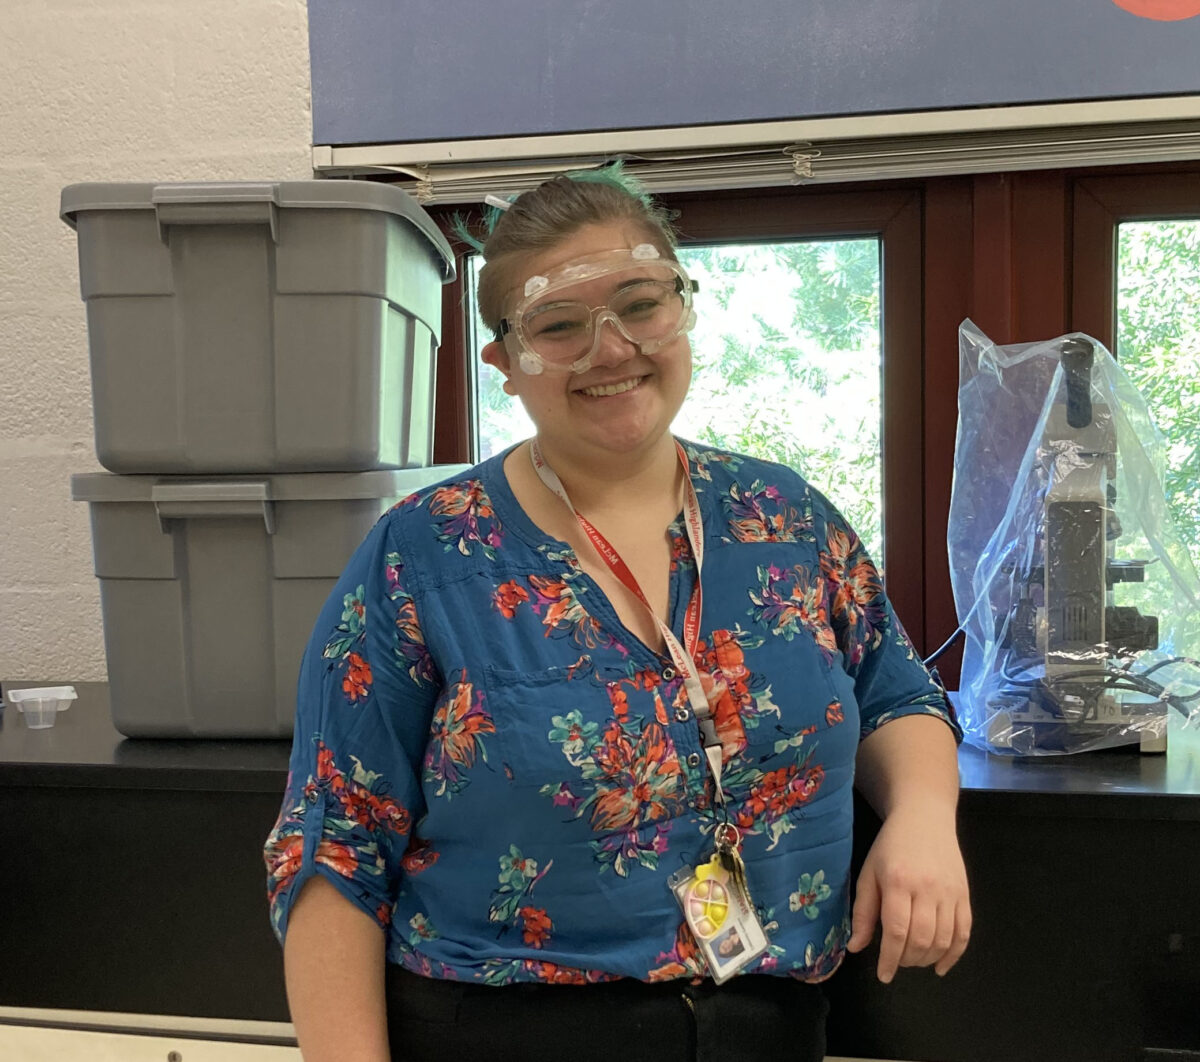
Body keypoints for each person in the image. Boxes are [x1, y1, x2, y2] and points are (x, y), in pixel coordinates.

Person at [264, 167, 970, 1062]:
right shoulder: (423, 556)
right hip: (507, 1032)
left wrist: (922, 818)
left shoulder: (783, 517)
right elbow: (336, 844)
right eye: (560, 325)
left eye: (640, 305)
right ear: (506, 363)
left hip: (767, 1026)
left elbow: (897, 693)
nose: (610, 349)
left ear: (683, 309)